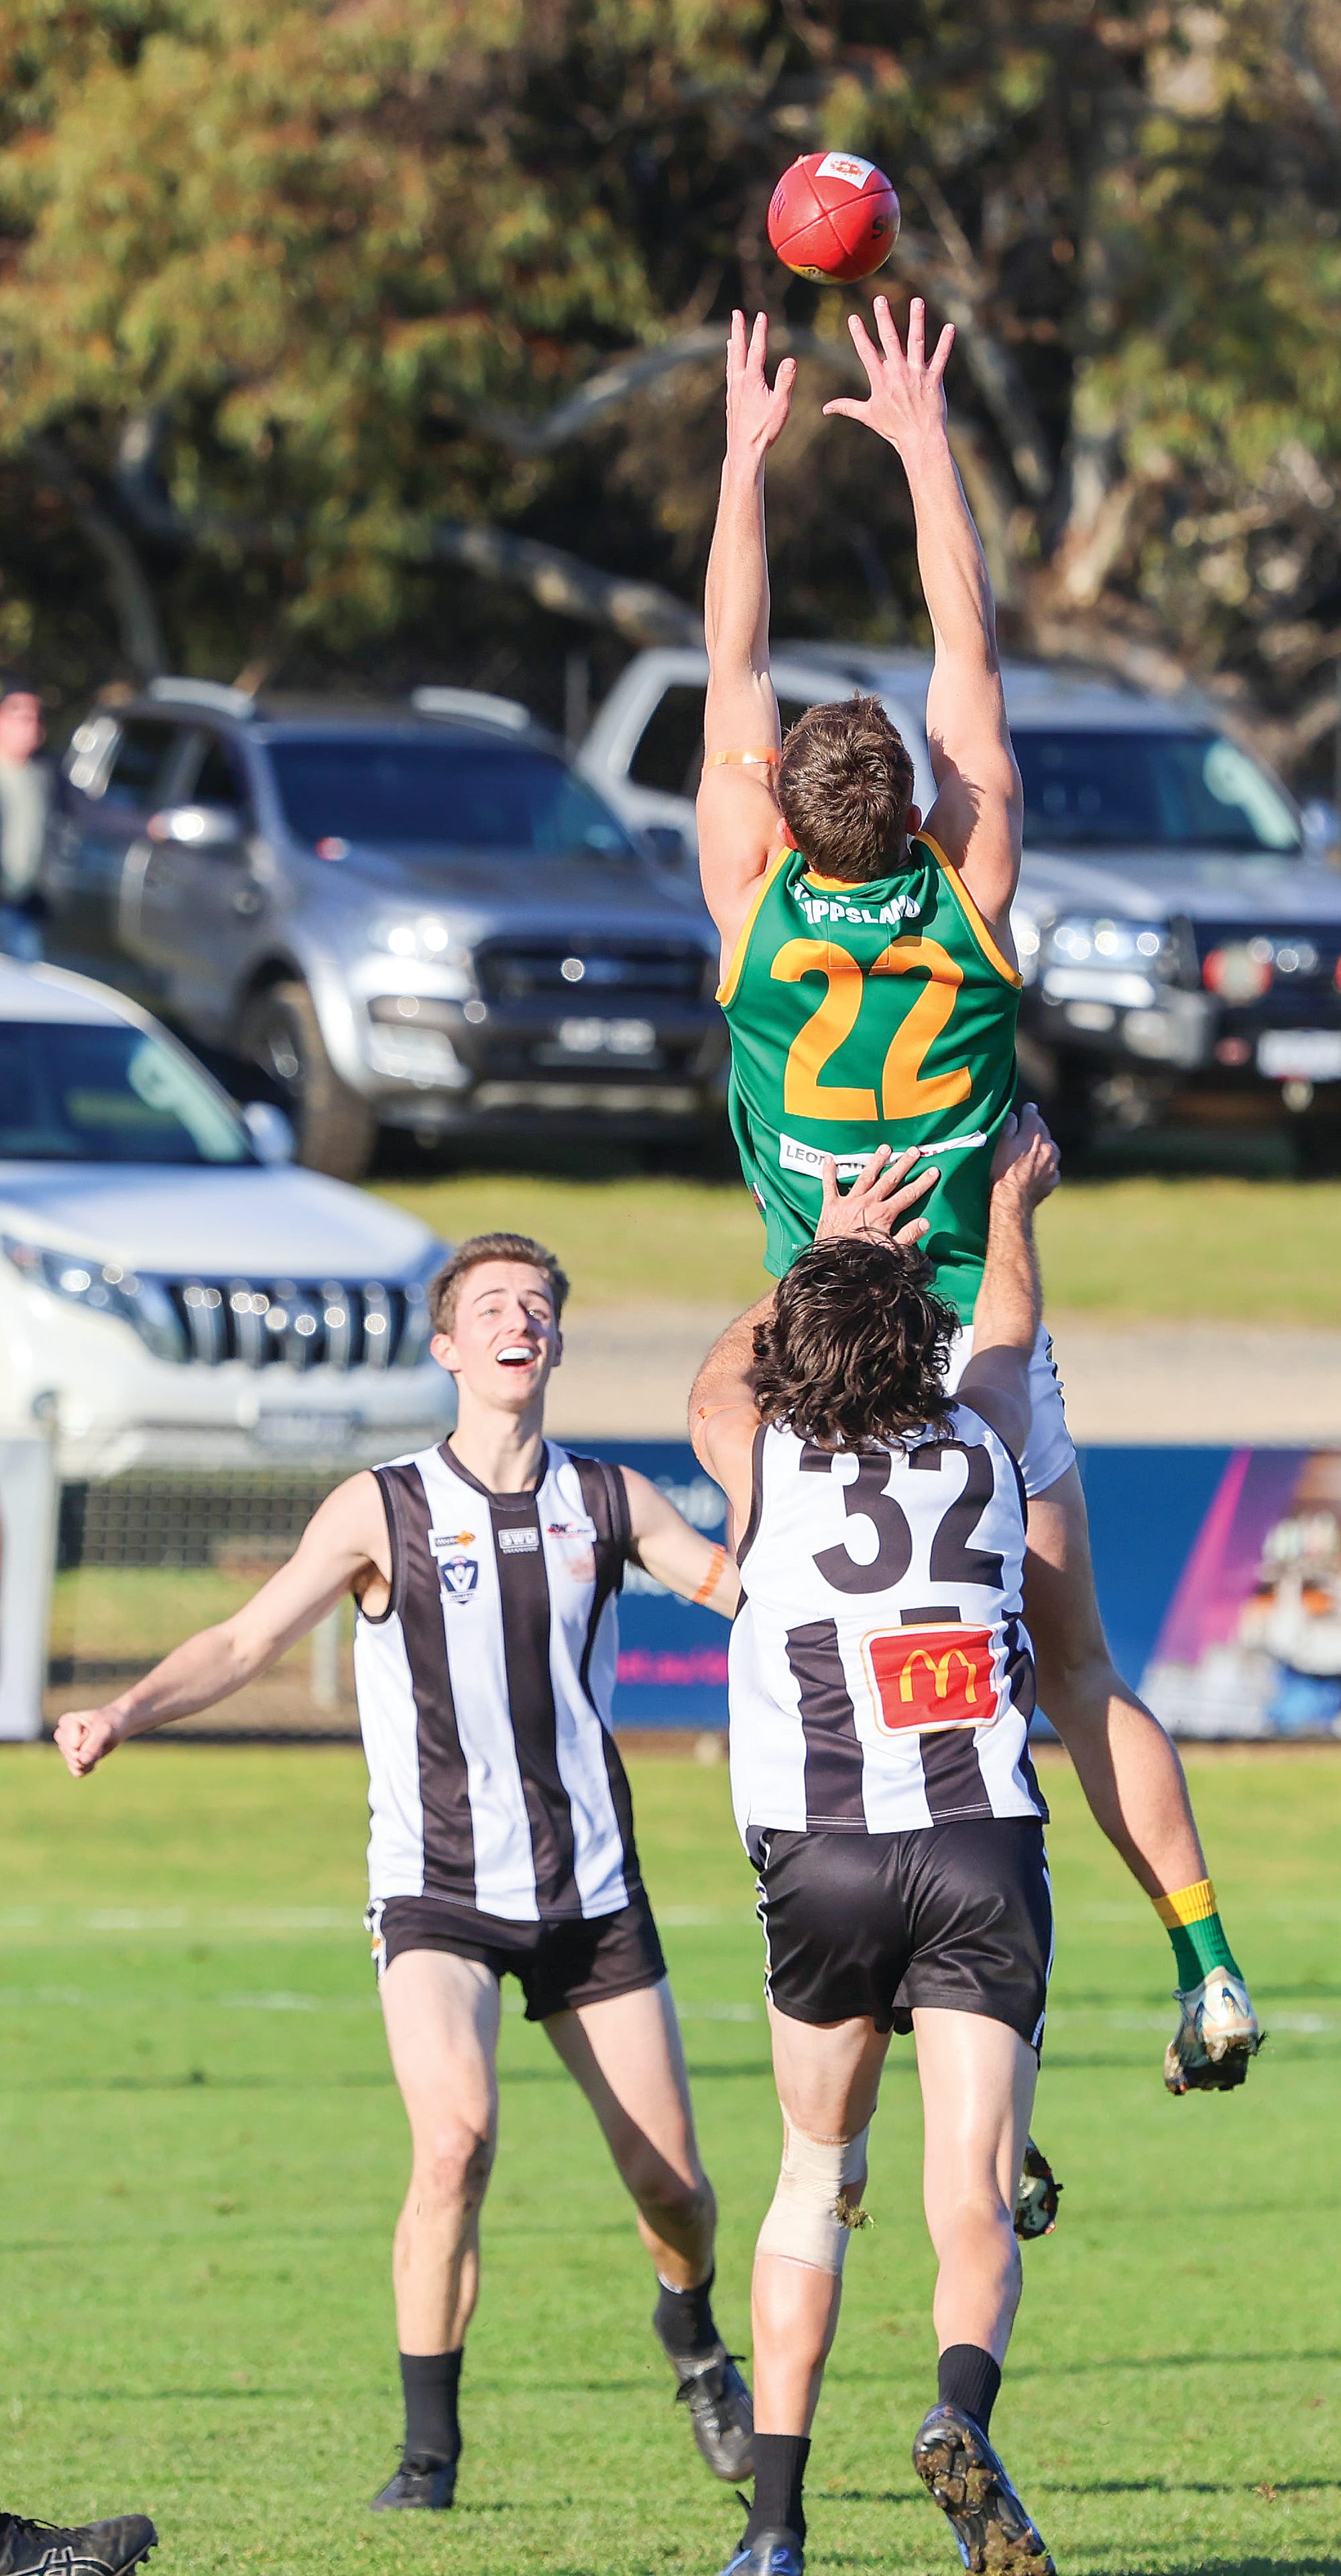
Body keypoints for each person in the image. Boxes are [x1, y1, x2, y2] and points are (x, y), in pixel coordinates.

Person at [697, 301, 1259, 2093]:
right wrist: (926, 442)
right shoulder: (981, 879)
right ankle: (1208, 1959)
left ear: (780, 806)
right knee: (1077, 1671)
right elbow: (972, 639)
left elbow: (732, 654)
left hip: (816, 1350)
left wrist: (744, 455)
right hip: (978, 1340)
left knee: (733, 1448)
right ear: (930, 803)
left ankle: (741, 1563)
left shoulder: (750, 898)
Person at [54, 1231, 755, 2514]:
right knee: (456, 2137)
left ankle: (695, 2335)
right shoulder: (384, 1505)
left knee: (674, 2188)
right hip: (433, 1887)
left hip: (590, 1891)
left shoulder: (612, 1499)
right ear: (448, 1347)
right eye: (492, 1304)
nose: (519, 1319)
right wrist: (127, 1711)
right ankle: (428, 2459)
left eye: (539, 1304)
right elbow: (248, 1637)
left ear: (556, 1341)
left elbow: (744, 1595)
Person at [687, 1113, 1075, 2576]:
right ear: (923, 1346)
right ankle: (957, 2408)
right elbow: (1010, 1329)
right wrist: (1012, 1202)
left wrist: (823, 1244)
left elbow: (711, 1378)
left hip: (825, 1854)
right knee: (968, 2195)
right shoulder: (981, 1442)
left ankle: (775, 2531)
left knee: (813, 2177)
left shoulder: (768, 1463)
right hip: (977, 1842)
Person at [0, 683, 52, 959]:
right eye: (22, 718)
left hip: (24, 906)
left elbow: (90, 811)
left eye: (35, 719)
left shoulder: (44, 775)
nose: (31, 727)